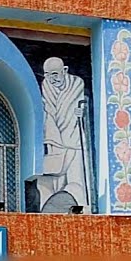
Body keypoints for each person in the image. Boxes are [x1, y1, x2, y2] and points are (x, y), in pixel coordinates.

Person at [40, 57, 91, 208]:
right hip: (56, 140)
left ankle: (81, 206)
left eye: (55, 74)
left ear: (65, 70)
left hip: (75, 139)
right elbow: (48, 110)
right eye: (48, 74)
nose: (52, 78)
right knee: (56, 178)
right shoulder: (46, 85)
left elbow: (80, 106)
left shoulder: (77, 84)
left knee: (77, 178)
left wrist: (82, 112)